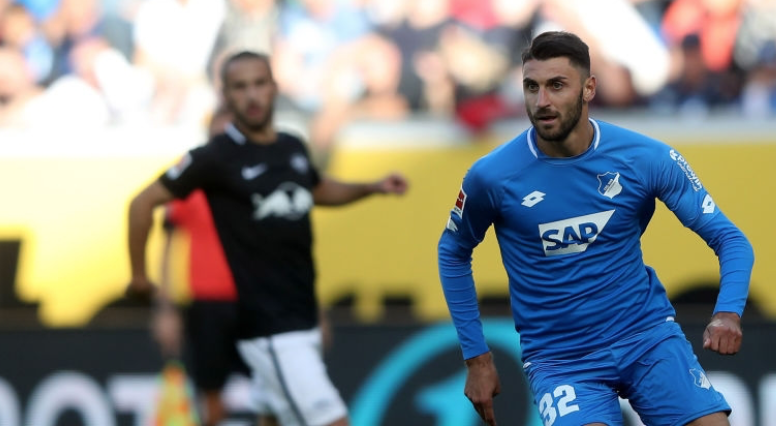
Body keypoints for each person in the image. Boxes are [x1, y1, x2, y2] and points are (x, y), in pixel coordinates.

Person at [437, 31, 754, 426]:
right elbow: (452, 251)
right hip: (561, 361)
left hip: (647, 339)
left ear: (589, 88)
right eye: (531, 87)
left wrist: (728, 313)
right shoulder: (492, 176)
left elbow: (730, 237)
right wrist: (477, 357)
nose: (542, 102)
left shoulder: (645, 158)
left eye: (556, 86)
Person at [127, 50, 409, 426]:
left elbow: (317, 189)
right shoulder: (215, 157)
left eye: (260, 83)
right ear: (226, 94)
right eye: (240, 87)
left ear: (275, 88)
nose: (252, 95)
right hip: (270, 328)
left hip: (301, 315)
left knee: (272, 417)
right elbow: (142, 203)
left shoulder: (291, 146)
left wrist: (371, 187)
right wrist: (139, 276)